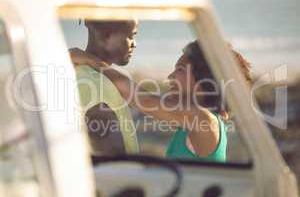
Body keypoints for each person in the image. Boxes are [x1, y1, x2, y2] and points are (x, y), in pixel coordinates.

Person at [70, 40, 252, 162]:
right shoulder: (203, 121)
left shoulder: (202, 119)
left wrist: (90, 60)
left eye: (179, 70)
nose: (170, 77)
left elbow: (143, 100)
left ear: (205, 80)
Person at [70, 19, 138, 155]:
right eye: (131, 36)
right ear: (106, 36)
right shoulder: (98, 85)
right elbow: (113, 163)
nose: (134, 44)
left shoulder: (78, 72)